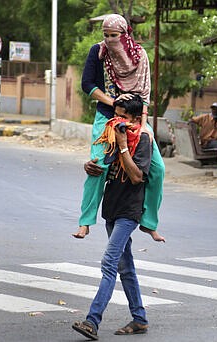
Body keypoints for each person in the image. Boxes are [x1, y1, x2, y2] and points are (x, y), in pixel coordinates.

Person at [72, 13, 165, 242]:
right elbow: (88, 84)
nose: (110, 40)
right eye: (106, 35)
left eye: (114, 35)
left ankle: (149, 222)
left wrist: (142, 127)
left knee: (157, 169)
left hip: (136, 118)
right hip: (107, 116)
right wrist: (112, 102)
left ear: (125, 35)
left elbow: (144, 95)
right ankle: (85, 221)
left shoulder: (139, 55)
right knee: (98, 166)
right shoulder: (98, 52)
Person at [72, 95, 152, 340]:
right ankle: (139, 318)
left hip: (129, 211)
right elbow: (105, 166)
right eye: (115, 116)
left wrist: (124, 145)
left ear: (136, 118)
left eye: (124, 117)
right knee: (125, 267)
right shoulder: (112, 134)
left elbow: (137, 176)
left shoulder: (142, 139)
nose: (118, 122)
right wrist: (90, 166)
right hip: (112, 209)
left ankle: (92, 321)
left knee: (109, 264)